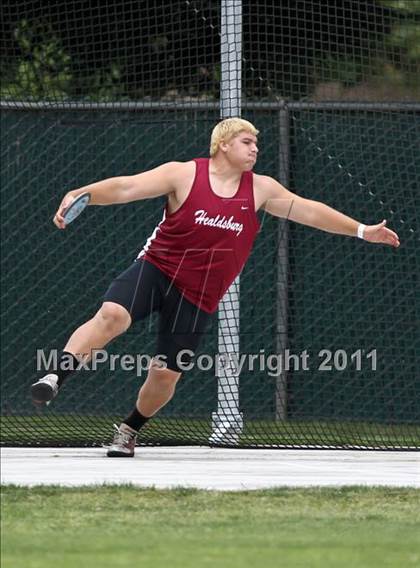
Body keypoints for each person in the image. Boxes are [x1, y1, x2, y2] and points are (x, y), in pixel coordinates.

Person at [31, 117, 400, 457]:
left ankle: (129, 430)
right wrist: (84, 192)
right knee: (112, 315)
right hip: (156, 269)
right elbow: (128, 186)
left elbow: (310, 210)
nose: (255, 148)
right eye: (247, 141)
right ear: (223, 144)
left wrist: (363, 230)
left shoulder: (261, 189)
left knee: (164, 374)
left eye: (256, 143)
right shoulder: (184, 174)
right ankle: (55, 376)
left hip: (199, 294)